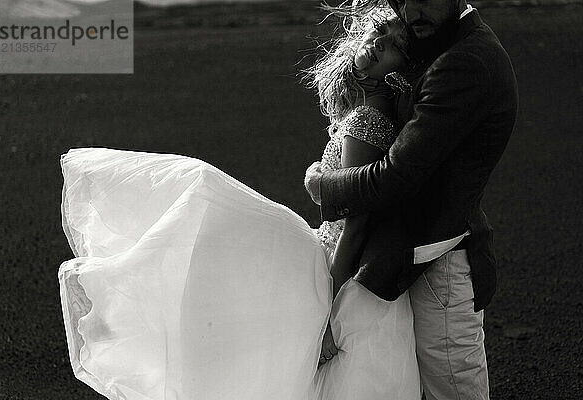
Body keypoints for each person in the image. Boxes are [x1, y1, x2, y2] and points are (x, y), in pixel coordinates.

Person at [58, 6, 423, 400]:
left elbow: (357, 224)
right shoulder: (370, 112)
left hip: (343, 277)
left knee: (204, 200)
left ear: (401, 68)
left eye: (391, 47)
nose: (376, 45)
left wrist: (328, 316)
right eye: (377, 33)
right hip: (337, 262)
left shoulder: (369, 119)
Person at [305, 0, 518, 399]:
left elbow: (396, 178)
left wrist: (322, 185)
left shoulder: (467, 60)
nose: (410, 9)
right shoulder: (437, 41)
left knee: (451, 390)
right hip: (410, 259)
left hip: (441, 264)